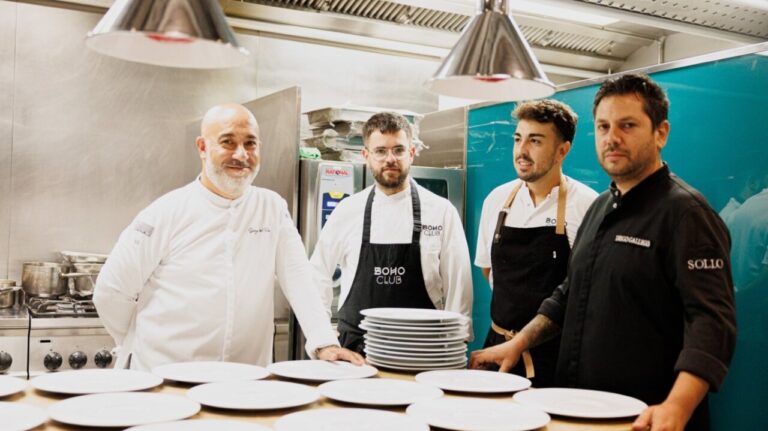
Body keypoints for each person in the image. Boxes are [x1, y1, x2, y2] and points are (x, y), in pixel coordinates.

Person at [470, 74, 736, 431]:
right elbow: (566, 296)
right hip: (582, 406)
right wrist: (518, 343)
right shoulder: (600, 209)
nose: (612, 137)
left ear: (661, 133)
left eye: (627, 125)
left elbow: (711, 321)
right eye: (603, 126)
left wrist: (677, 406)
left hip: (646, 415)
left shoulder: (686, 214)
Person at [94, 104, 363, 370]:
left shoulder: (271, 207)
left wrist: (324, 342)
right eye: (227, 142)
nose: (241, 154)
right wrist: (135, 340)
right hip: (167, 377)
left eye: (250, 144)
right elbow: (112, 291)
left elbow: (299, 279)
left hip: (243, 380)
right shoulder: (165, 212)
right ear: (202, 147)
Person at [310, 112, 473, 354]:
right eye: (380, 151)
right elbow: (317, 275)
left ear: (412, 153)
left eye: (398, 150)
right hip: (356, 353)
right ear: (366, 156)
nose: (390, 159)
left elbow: (459, 286)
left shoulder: (441, 211)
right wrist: (323, 338)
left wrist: (453, 349)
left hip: (423, 351)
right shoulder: (347, 211)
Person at [474, 99, 598, 387]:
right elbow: (488, 271)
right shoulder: (497, 200)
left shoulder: (587, 205)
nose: (522, 151)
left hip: (556, 358)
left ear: (562, 150)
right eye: (518, 139)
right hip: (498, 349)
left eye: (535, 141)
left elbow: (585, 292)